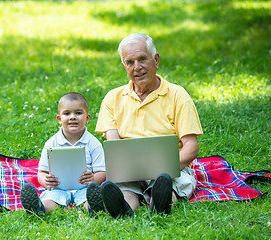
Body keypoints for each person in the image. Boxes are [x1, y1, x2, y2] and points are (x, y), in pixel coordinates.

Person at [86, 33, 203, 218]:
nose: (137, 67)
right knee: (125, 189)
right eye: (130, 62)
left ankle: (160, 203)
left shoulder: (178, 95)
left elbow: (191, 147)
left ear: (156, 60)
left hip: (170, 168)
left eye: (142, 59)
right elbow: (114, 146)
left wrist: (164, 168)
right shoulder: (112, 98)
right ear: (124, 66)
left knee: (166, 184)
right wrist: (124, 170)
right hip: (130, 170)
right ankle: (124, 209)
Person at [20, 92, 106, 216]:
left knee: (89, 198)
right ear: (59, 119)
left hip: (85, 188)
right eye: (67, 113)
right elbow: (41, 172)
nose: (72, 117)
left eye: (78, 113)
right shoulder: (51, 143)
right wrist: (46, 181)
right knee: (51, 200)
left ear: (87, 118)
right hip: (58, 188)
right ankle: (38, 209)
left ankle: (95, 208)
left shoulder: (94, 143)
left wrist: (93, 179)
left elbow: (102, 172)